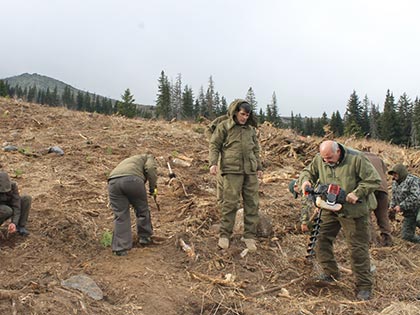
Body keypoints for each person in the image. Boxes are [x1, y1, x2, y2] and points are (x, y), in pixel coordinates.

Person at [299, 140, 381, 301]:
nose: (326, 161)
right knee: (320, 239)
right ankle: (330, 272)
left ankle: (364, 286)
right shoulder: (320, 159)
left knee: (357, 248)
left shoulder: (357, 159)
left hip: (354, 210)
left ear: (338, 152)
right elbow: (307, 171)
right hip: (329, 207)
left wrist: (357, 193)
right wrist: (305, 181)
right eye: (324, 159)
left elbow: (374, 180)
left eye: (329, 158)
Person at [209, 99, 262, 251]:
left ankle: (249, 236)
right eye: (242, 114)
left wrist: (258, 166)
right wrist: (213, 163)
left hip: (250, 171)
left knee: (252, 203)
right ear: (235, 112)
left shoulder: (250, 130)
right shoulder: (224, 126)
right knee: (230, 203)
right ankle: (225, 234)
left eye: (247, 115)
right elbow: (214, 145)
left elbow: (255, 149)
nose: (244, 117)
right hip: (231, 170)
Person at [107, 154, 158, 256]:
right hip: (133, 180)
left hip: (113, 182)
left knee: (120, 215)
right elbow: (151, 169)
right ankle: (144, 237)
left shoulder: (129, 160)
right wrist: (153, 188)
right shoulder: (148, 157)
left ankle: (120, 248)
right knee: (142, 210)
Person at [363, 152, 393, 246]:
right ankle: (387, 240)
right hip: (383, 190)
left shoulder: (358, 158)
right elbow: (384, 172)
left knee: (366, 216)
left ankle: (373, 242)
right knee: (383, 216)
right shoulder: (379, 160)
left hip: (369, 188)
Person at [388, 164, 420, 243]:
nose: (394, 176)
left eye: (395, 173)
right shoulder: (395, 183)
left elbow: (415, 197)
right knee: (407, 236)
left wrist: (401, 206)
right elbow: (394, 197)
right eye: (393, 174)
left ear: (401, 173)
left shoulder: (413, 180)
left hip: (418, 208)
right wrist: (392, 207)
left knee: (419, 220)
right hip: (409, 212)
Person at [0, 171, 32, 236]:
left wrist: (14, 223)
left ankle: (20, 226)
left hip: (8, 204)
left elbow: (16, 205)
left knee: (26, 199)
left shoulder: (13, 185)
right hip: (2, 208)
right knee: (7, 210)